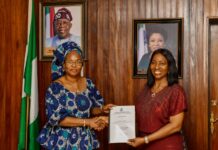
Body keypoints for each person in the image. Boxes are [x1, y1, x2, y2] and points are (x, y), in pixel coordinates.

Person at [37, 41, 113, 149]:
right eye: (70, 62)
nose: (74, 65)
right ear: (63, 65)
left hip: (85, 139)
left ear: (82, 64)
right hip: (62, 140)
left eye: (78, 62)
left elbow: (89, 109)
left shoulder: (88, 83)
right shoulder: (55, 88)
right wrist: (88, 122)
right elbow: (58, 119)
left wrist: (101, 109)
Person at [128, 48, 187, 150]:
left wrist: (146, 139)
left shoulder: (176, 91)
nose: (157, 67)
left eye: (162, 63)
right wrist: (112, 120)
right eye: (153, 63)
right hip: (143, 145)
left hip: (167, 146)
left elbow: (176, 125)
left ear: (169, 68)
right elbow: (138, 116)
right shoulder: (145, 90)